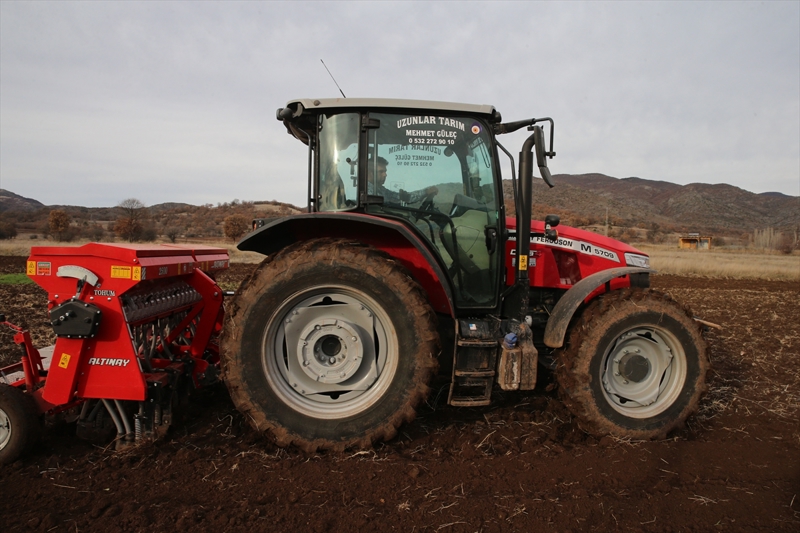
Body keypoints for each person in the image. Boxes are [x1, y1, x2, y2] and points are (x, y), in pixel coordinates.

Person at [368, 156, 437, 205]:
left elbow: (404, 197)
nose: (385, 175)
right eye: (381, 172)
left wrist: (426, 192)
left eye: (385, 171)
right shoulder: (368, 191)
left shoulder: (380, 190)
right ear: (370, 173)